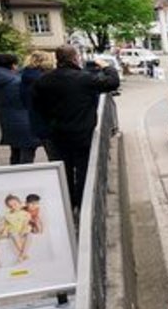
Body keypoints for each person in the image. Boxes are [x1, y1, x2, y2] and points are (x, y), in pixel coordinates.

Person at [31, 45, 120, 208]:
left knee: (64, 172)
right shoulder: (83, 78)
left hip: (57, 134)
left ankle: (68, 205)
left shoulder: (44, 80)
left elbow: (37, 106)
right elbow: (112, 83)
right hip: (82, 134)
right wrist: (107, 67)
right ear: (74, 58)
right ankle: (82, 206)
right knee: (83, 171)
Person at [0, 53, 37, 164]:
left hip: (7, 119)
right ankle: (24, 174)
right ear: (13, 65)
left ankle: (15, 173)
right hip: (24, 120)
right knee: (27, 154)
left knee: (15, 152)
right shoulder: (17, 82)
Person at [19, 49, 56, 161]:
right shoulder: (45, 79)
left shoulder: (23, 78)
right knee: (55, 156)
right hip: (49, 122)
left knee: (27, 156)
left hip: (32, 119)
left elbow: (24, 100)